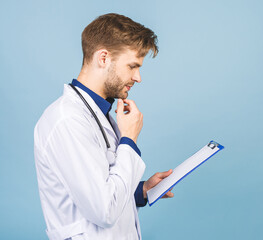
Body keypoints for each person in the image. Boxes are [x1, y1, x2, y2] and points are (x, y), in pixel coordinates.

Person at [34, 13, 173, 240]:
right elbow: (104, 211)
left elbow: (98, 188)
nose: (138, 77)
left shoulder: (99, 114)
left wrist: (142, 191)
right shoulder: (66, 120)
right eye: (132, 66)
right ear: (103, 58)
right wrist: (128, 140)